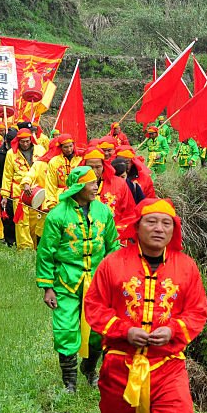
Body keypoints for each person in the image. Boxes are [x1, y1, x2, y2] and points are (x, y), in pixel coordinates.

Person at [84, 198, 207, 413]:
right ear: (136, 227)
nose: (159, 229)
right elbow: (95, 306)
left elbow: (197, 310)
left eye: (166, 223)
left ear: (174, 229)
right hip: (120, 365)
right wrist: (124, 330)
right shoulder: (113, 263)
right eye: (152, 222)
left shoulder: (186, 266)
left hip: (168, 365)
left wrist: (174, 330)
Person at [36, 166, 120, 392]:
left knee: (98, 331)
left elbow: (113, 246)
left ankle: (90, 369)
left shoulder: (103, 212)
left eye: (96, 182)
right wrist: (47, 287)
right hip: (66, 282)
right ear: (79, 186)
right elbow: (46, 252)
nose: (96, 187)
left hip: (98, 283)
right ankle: (69, 382)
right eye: (91, 183)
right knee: (65, 329)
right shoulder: (57, 215)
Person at [2, 127, 45, 249]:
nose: (25, 144)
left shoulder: (40, 150)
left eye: (27, 141)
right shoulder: (11, 153)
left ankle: (35, 246)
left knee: (35, 221)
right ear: (18, 141)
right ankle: (24, 248)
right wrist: (5, 195)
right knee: (21, 221)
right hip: (18, 191)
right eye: (22, 141)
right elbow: (7, 174)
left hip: (36, 190)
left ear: (31, 139)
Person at [42, 134, 81, 211]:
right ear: (60, 147)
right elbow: (50, 184)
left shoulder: (80, 159)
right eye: (65, 147)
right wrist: (51, 203)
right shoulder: (54, 162)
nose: (69, 149)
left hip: (78, 196)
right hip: (60, 197)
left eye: (70, 146)